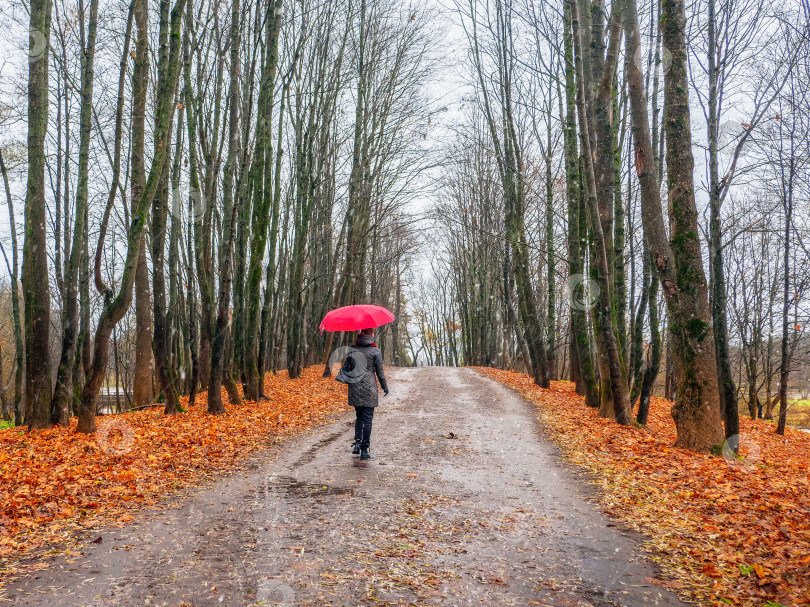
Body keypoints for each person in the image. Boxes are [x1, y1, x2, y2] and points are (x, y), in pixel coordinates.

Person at [346, 327, 388, 460]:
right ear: (371, 334)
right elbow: (379, 373)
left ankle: (357, 443)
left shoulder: (352, 349)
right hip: (369, 387)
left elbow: (348, 368)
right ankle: (364, 450)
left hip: (355, 386)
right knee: (368, 419)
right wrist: (384, 387)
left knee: (359, 416)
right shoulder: (375, 351)